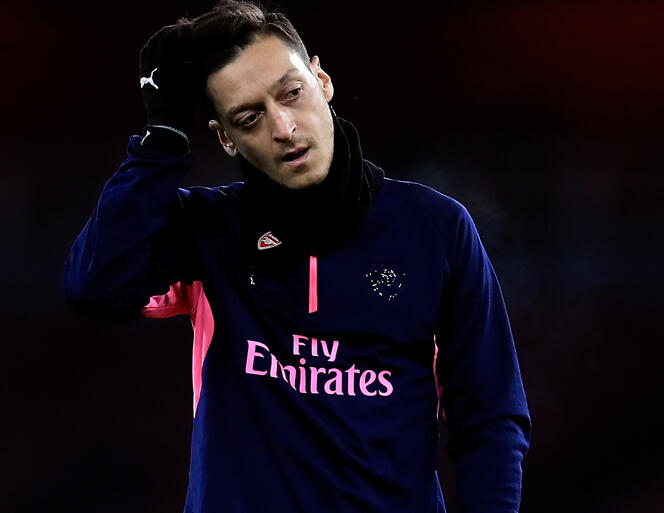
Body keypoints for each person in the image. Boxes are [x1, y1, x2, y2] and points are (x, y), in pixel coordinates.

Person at [63, 1, 531, 512]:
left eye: (291, 93)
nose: (283, 127)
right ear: (226, 139)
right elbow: (96, 285)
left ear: (321, 80)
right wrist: (163, 139)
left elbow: (490, 415)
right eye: (250, 118)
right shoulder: (206, 229)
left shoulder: (435, 228)